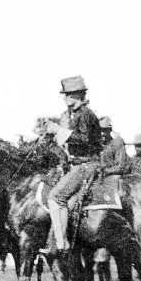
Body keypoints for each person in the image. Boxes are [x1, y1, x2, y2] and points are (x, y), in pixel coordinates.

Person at [47, 76, 102, 252]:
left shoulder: (84, 114)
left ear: (76, 95)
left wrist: (59, 130)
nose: (65, 99)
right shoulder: (79, 114)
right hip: (83, 164)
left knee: (55, 198)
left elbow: (85, 140)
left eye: (67, 95)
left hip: (85, 165)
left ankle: (61, 244)